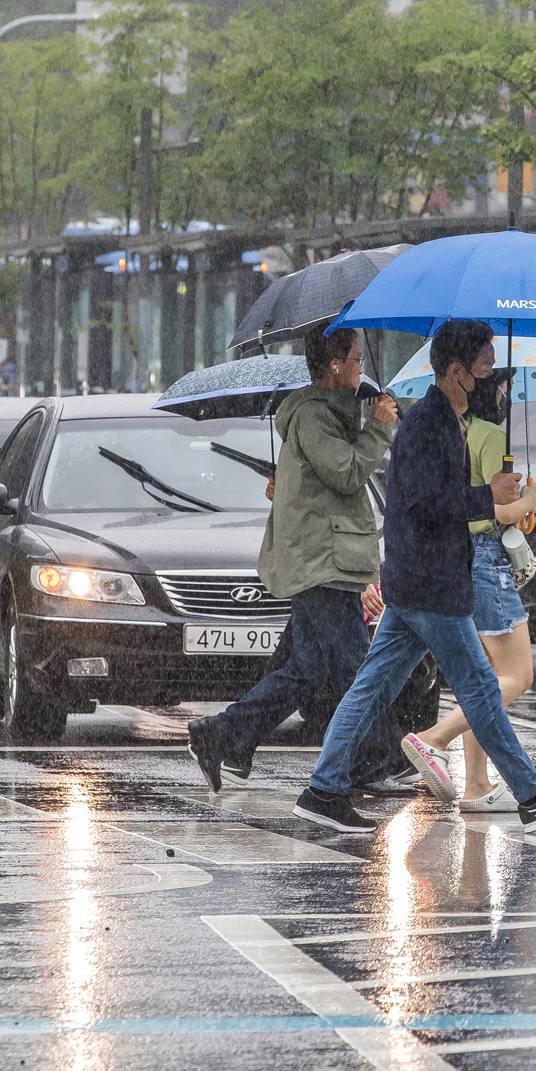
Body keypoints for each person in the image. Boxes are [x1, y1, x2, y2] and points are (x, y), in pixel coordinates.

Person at [292, 318, 536, 835]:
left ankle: (322, 789)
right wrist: (490, 497)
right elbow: (423, 504)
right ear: (456, 372)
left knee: (370, 690)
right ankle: (532, 794)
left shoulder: (446, 421)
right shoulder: (427, 425)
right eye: (485, 368)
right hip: (431, 585)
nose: (494, 378)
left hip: (417, 584)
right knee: (479, 687)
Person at [187, 327, 405, 795]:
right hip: (322, 563)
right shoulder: (312, 418)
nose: (361, 366)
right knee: (355, 667)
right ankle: (372, 761)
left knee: (308, 671)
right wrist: (381, 426)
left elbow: (319, 482)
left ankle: (223, 734)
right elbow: (348, 473)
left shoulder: (329, 415)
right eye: (355, 358)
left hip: (328, 558)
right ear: (334, 366)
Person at [403, 369, 536, 812]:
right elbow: (497, 513)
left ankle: (476, 784)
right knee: (516, 676)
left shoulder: (461, 431)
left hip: (463, 560)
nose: (503, 395)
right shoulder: (493, 437)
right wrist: (530, 504)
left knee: (481, 677)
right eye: (501, 386)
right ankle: (433, 737)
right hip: (490, 560)